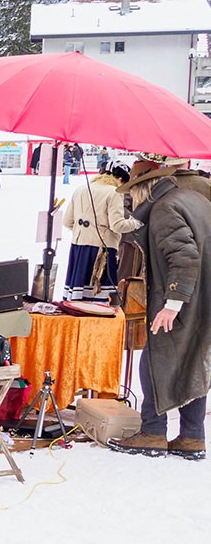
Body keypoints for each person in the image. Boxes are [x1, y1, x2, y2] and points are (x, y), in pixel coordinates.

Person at [107, 162, 211, 461]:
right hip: (202, 294)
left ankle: (152, 432)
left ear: (142, 188)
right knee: (193, 361)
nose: (131, 203)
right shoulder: (193, 199)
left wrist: (173, 303)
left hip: (184, 297)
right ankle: (192, 437)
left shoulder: (165, 207)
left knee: (155, 360)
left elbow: (185, 257)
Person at [61, 162, 139, 302]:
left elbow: (67, 221)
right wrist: (136, 223)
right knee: (98, 299)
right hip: (101, 251)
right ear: (121, 179)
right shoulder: (114, 192)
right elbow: (117, 225)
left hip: (78, 249)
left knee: (78, 299)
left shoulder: (81, 189)